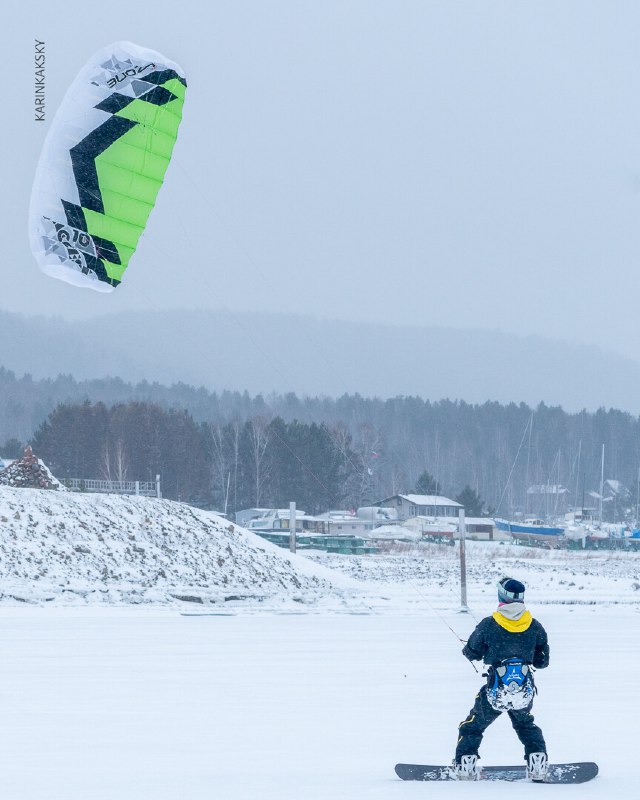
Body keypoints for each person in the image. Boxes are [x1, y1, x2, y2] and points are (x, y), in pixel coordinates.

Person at [453, 577, 550, 781]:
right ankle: (538, 763)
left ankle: (465, 766)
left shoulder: (489, 624)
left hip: (495, 690)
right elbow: (542, 662)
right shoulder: (534, 626)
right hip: (524, 690)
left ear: (501, 597)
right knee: (526, 725)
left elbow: (471, 652)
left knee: (473, 726)